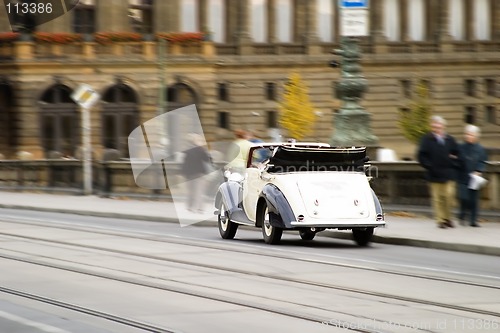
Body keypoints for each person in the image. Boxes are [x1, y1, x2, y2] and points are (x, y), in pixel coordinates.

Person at [418, 116, 460, 229]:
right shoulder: (427, 139)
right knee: (437, 199)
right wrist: (429, 166)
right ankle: (440, 220)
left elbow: (457, 153)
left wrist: (453, 162)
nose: (436, 127)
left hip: (448, 173)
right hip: (434, 174)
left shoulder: (449, 139)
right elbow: (422, 156)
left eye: (438, 124)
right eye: (434, 125)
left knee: (449, 197)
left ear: (443, 126)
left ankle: (448, 217)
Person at [457, 125, 488, 227]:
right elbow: (457, 160)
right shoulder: (461, 147)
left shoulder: (480, 149)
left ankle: (473, 220)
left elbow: (482, 161)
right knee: (464, 198)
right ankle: (462, 214)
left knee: (473, 200)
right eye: (467, 134)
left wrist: (479, 170)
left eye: (471, 134)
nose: (468, 136)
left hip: (474, 178)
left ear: (476, 136)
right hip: (462, 176)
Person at [181, 133, 212, 213]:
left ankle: (190, 207)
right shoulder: (200, 149)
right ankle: (200, 208)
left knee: (190, 191)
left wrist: (183, 173)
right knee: (199, 191)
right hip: (199, 173)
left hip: (189, 174)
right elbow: (208, 160)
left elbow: (184, 163)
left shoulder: (186, 150)